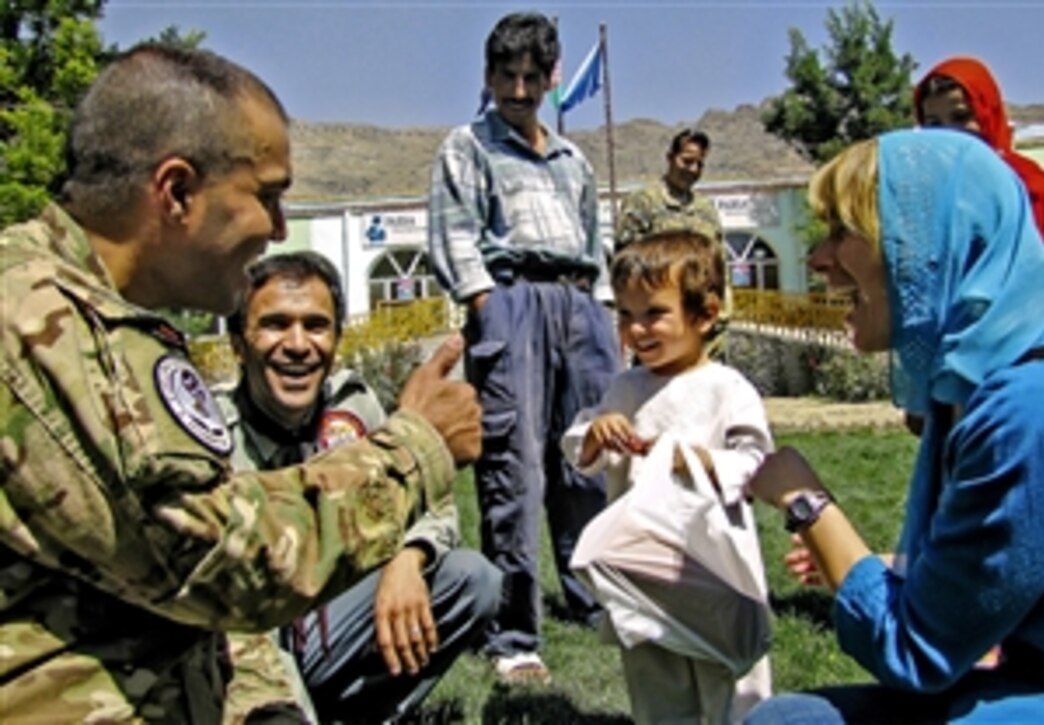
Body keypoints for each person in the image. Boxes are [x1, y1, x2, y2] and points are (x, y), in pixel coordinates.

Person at [0, 43, 482, 722]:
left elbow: (186, 605)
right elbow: (211, 561)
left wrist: (264, 704)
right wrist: (415, 449)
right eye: (268, 196)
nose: (280, 228)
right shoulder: (39, 322)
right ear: (177, 193)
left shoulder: (86, 314)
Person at [743, 129, 1044, 723]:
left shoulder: (1029, 411)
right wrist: (895, 566)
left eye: (844, 234)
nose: (820, 259)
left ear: (931, 249)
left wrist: (807, 502)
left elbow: (916, 652)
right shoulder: (978, 384)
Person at [218, 252, 502, 723]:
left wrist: (410, 557)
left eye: (315, 326)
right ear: (237, 345)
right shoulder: (211, 432)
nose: (297, 344)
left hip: (330, 622)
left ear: (336, 340)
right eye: (274, 324)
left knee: (472, 579)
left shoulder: (353, 406)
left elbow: (434, 502)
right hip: (247, 635)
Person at [427, 12, 621, 684]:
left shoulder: (573, 160)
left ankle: (593, 593)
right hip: (511, 298)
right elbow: (454, 236)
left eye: (531, 77)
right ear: (488, 76)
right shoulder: (467, 146)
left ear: (550, 79)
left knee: (588, 454)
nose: (517, 89)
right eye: (505, 76)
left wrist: (599, 312)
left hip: (580, 303)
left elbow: (595, 237)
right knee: (515, 467)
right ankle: (514, 634)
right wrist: (488, 308)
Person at [561, 230, 774, 723]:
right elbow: (579, 450)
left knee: (734, 690)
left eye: (654, 313)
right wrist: (597, 432)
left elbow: (757, 463)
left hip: (715, 574)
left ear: (705, 314)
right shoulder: (625, 387)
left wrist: (691, 459)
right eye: (626, 315)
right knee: (657, 687)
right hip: (645, 573)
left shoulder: (726, 389)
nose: (637, 330)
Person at [914, 56, 1044, 327]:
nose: (949, 132)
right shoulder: (929, 191)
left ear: (987, 113)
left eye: (961, 117)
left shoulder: (1025, 183)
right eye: (934, 123)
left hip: (1022, 338)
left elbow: (1040, 278)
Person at [614, 129, 732, 357]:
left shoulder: (705, 210)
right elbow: (627, 266)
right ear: (670, 158)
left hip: (704, 327)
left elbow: (719, 265)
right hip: (660, 327)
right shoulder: (644, 203)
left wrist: (722, 313)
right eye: (687, 161)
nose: (693, 170)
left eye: (700, 164)